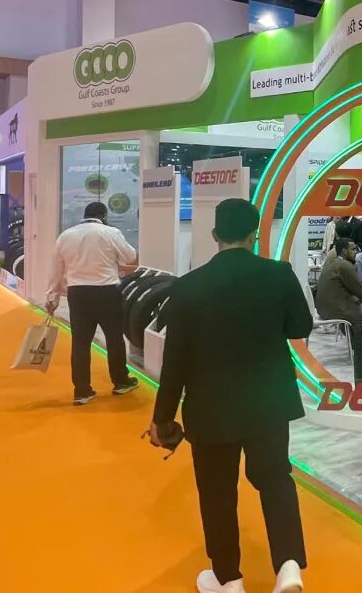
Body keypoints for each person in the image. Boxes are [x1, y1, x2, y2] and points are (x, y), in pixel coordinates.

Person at [149, 198, 312, 593]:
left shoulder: (188, 286)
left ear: (214, 234)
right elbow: (300, 326)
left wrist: (162, 417)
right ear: (254, 234)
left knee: (217, 493)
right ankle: (289, 567)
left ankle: (229, 579)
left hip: (210, 406)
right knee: (275, 479)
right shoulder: (279, 274)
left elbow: (175, 361)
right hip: (268, 400)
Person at [45, 201, 139, 406]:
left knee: (80, 343)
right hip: (107, 292)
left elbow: (55, 270)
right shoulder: (110, 232)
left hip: (78, 294)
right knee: (114, 339)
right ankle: (121, 382)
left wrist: (52, 297)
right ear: (103, 216)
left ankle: (82, 391)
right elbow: (130, 256)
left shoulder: (66, 236)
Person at [316, 238, 362, 324]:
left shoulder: (331, 263)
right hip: (337, 312)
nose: (356, 252)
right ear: (344, 251)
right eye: (353, 249)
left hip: (323, 311)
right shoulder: (344, 265)